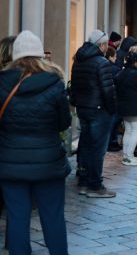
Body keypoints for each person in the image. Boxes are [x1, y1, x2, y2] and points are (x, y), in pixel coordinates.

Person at [0, 30, 71, 254]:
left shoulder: (2, 84)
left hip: (10, 162)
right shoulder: (55, 83)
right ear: (41, 55)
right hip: (48, 162)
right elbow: (63, 123)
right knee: (53, 218)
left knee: (17, 218)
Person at [70, 29, 117, 198]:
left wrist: (76, 102)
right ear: (102, 45)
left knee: (86, 145)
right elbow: (108, 90)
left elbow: (73, 85)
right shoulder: (101, 62)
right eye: (105, 45)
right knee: (97, 148)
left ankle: (83, 181)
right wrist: (112, 109)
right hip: (99, 110)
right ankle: (95, 185)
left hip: (83, 108)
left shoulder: (79, 60)